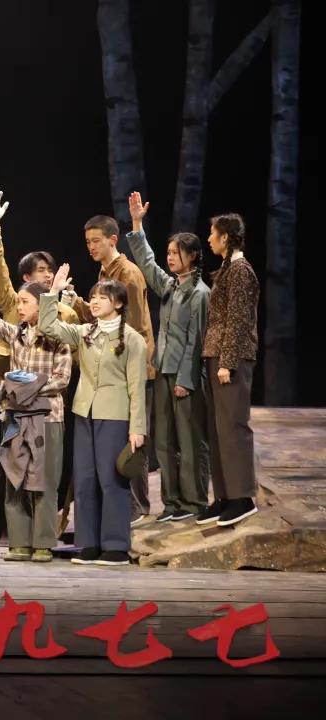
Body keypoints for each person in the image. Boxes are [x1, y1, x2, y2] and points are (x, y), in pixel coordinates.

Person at [0, 189, 78, 557]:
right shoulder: (15, 332)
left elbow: (62, 379)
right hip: (17, 417)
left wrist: (25, 388)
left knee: (44, 481)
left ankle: (43, 543)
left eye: (25, 302)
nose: (19, 307)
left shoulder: (59, 333)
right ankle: (18, 542)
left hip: (48, 416)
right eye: (18, 301)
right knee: (14, 479)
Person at [40, 265, 147, 566]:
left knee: (111, 480)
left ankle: (116, 546)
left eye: (102, 297)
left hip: (115, 416)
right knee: (85, 479)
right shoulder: (86, 332)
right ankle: (88, 543)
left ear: (119, 303)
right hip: (84, 412)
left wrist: (137, 428)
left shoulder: (133, 340)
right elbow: (48, 326)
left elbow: (137, 387)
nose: (95, 301)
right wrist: (53, 292)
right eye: (94, 296)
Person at [126, 192, 211, 523]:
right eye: (169, 253)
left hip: (184, 376)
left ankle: (194, 501)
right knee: (163, 441)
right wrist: (137, 223)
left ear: (192, 256)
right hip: (163, 371)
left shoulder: (200, 294)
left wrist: (186, 381)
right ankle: (172, 502)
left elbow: (196, 342)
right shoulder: (172, 287)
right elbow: (147, 264)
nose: (170, 257)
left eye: (176, 253)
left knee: (189, 441)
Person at [72, 215, 156, 526]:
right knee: (114, 445)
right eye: (88, 242)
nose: (91, 247)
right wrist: (78, 303)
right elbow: (103, 321)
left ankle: (138, 509)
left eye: (96, 241)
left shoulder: (128, 274)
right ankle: (125, 509)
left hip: (131, 369)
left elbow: (134, 327)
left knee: (133, 441)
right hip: (111, 371)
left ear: (113, 240)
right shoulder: (106, 271)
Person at [198, 213, 260, 527]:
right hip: (215, 355)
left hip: (230, 358)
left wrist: (227, 362)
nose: (209, 239)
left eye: (213, 233)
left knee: (233, 427)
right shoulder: (226, 269)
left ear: (225, 237)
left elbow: (237, 320)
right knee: (218, 429)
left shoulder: (241, 270)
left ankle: (243, 497)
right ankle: (224, 495)